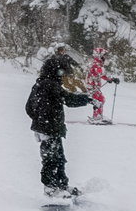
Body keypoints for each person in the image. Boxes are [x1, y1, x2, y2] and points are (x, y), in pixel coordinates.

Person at [26, 52, 81, 199]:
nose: (63, 77)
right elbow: (69, 100)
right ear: (57, 71)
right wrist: (87, 99)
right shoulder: (51, 85)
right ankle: (50, 188)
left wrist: (39, 120)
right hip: (49, 129)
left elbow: (28, 108)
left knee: (58, 157)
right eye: (62, 73)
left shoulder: (39, 84)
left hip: (48, 128)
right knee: (51, 158)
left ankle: (62, 185)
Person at [86, 47, 120, 124]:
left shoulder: (97, 63)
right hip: (92, 86)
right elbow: (100, 73)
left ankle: (98, 116)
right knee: (99, 100)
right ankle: (96, 117)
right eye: (103, 55)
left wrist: (109, 79)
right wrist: (111, 79)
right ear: (99, 55)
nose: (105, 57)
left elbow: (100, 74)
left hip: (94, 86)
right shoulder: (96, 64)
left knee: (100, 99)